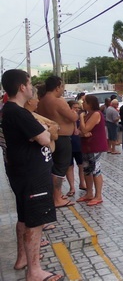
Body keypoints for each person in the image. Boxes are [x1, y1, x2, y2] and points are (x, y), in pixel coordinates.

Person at [1, 69, 65, 281]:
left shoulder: (9, 111)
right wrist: (43, 130)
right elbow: (46, 138)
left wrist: (42, 131)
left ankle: (23, 258)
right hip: (32, 176)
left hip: (23, 174)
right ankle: (34, 271)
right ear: (22, 87)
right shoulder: (18, 113)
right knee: (35, 223)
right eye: (29, 84)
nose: (32, 88)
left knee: (24, 217)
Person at [37, 75, 78, 208]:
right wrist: (74, 112)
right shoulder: (57, 101)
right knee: (60, 168)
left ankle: (55, 196)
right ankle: (57, 197)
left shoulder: (42, 100)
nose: (63, 90)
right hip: (61, 138)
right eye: (62, 87)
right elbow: (72, 116)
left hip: (51, 138)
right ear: (57, 87)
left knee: (53, 167)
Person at [77, 95, 108, 206]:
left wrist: (81, 118)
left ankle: (98, 195)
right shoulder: (87, 115)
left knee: (95, 169)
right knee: (87, 169)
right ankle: (89, 193)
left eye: (85, 102)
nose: (83, 103)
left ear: (90, 103)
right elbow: (78, 131)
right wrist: (83, 132)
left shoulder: (95, 114)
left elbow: (84, 128)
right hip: (86, 145)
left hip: (95, 146)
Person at [65, 100, 86, 197]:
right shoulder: (65, 118)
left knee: (81, 165)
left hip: (79, 144)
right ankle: (72, 187)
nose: (77, 110)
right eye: (74, 108)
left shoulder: (81, 117)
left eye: (78, 108)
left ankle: (82, 183)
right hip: (68, 144)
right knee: (69, 167)